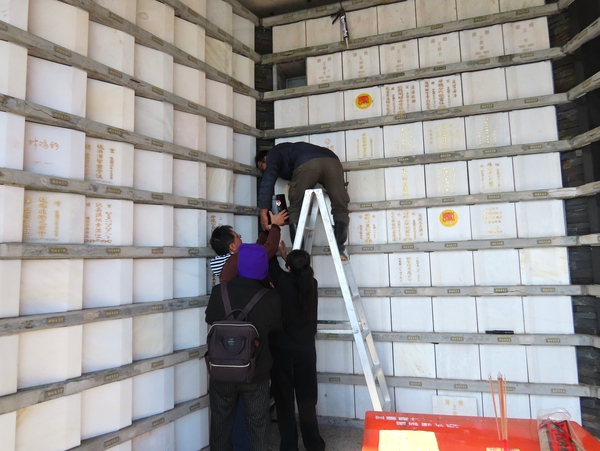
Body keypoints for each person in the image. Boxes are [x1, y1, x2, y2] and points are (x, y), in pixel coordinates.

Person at [206, 244, 283, 451]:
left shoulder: (219, 291)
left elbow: (210, 319)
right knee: (257, 427)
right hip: (255, 373)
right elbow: (277, 328)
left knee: (220, 425)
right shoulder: (270, 297)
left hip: (221, 371)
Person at [268, 242, 325, 451]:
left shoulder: (282, 281)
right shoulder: (312, 284)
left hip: (282, 350)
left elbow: (269, 260)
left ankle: (289, 446)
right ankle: (314, 444)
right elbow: (298, 273)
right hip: (306, 351)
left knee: (284, 401)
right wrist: (288, 259)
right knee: (307, 401)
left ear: (289, 267)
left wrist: (279, 249)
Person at [255, 141, 350, 256]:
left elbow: (268, 179)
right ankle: (339, 249)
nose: (263, 171)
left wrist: (263, 212)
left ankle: (299, 254)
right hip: (333, 161)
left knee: (295, 207)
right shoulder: (290, 152)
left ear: (265, 158)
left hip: (308, 163)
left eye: (261, 167)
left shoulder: (272, 154)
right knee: (340, 205)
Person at [209, 210, 288, 283]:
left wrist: (266, 231)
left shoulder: (229, 262)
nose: (241, 239)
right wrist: (275, 226)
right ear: (232, 247)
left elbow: (257, 250)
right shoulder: (236, 260)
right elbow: (267, 250)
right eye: (238, 237)